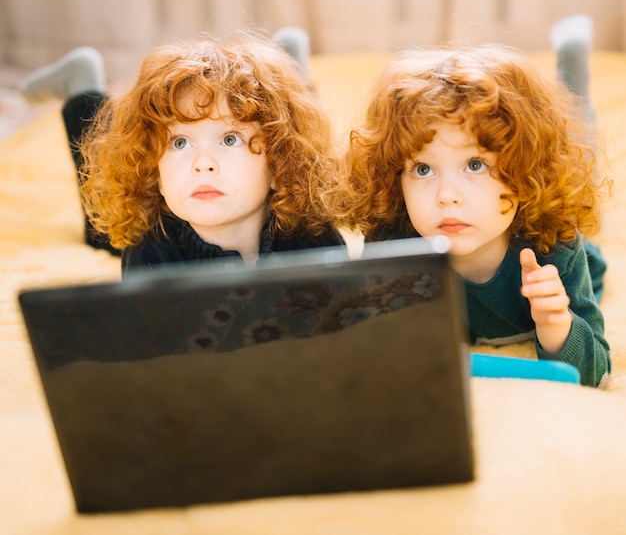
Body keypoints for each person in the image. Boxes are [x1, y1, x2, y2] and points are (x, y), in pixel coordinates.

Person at [335, 44, 611, 387]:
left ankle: (572, 73)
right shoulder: (392, 245)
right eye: (423, 169)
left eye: (475, 164)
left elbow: (597, 372)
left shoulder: (555, 246)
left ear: (525, 169)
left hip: (578, 254)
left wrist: (556, 324)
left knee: (577, 154)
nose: (447, 196)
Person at [19, 31, 345, 274]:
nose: (202, 164)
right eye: (180, 143)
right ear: (156, 176)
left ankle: (287, 69)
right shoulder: (149, 251)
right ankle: (81, 85)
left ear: (278, 166)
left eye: (230, 139)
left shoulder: (314, 233)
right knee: (102, 230)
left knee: (292, 121)